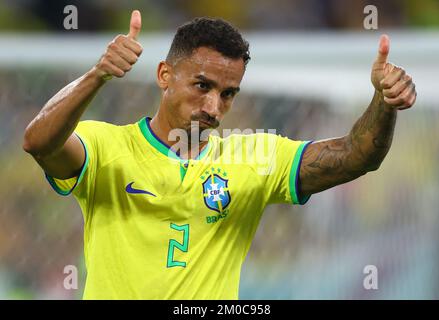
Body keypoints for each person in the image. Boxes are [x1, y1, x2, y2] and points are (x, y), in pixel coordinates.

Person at [23, 10, 416, 299]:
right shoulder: (107, 147)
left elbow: (357, 155)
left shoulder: (256, 156)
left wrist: (384, 101)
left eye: (228, 94)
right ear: (164, 75)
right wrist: (98, 75)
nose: (213, 107)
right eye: (202, 85)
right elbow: (39, 142)